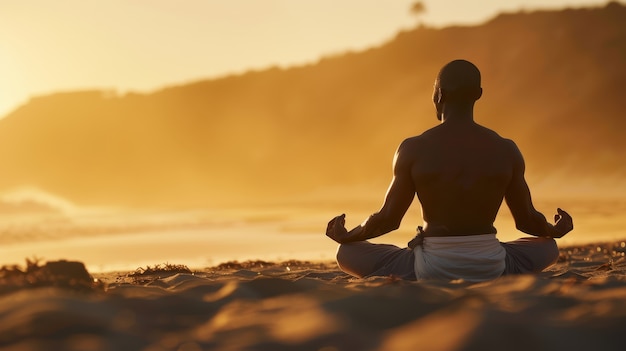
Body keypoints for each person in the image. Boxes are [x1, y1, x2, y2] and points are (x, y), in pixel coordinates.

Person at [325, 59, 573, 282]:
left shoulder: (414, 148)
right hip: (492, 265)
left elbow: (388, 219)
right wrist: (554, 230)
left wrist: (349, 236)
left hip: (430, 267)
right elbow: (527, 220)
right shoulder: (506, 149)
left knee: (346, 253)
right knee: (549, 247)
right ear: (478, 94)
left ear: (440, 95)